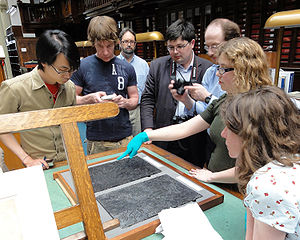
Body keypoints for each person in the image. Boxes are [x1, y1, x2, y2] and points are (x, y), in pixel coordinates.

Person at [119, 37, 272, 184]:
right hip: (217, 181)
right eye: (218, 67)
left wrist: (213, 177)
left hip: (242, 188)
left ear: (243, 70)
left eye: (224, 69)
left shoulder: (262, 107)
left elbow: (256, 167)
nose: (218, 73)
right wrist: (146, 135)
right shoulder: (225, 100)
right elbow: (186, 128)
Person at [220, 86, 300, 239]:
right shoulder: (287, 160)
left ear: (250, 137)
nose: (223, 134)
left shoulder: (267, 186)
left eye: (229, 128)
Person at [0, 29, 80, 169]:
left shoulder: (70, 87)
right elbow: (2, 127)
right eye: (62, 70)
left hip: (69, 162)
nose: (67, 75)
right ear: (44, 61)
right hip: (39, 166)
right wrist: (26, 159)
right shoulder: (14, 89)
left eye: (72, 69)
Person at [141, 19, 212, 166]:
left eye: (180, 46)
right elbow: (147, 99)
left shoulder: (208, 69)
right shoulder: (157, 66)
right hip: (165, 132)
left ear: (192, 43)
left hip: (195, 135)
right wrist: (148, 129)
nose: (175, 52)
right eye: (170, 47)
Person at [71, 16, 138, 155]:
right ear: (93, 43)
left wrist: (124, 102)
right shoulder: (83, 67)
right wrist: (89, 99)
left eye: (109, 46)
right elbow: (71, 99)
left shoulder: (127, 67)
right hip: (96, 140)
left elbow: (134, 99)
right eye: (100, 46)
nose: (106, 52)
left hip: (124, 137)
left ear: (116, 42)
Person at [183, 18, 240, 114]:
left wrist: (207, 98)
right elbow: (206, 114)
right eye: (207, 47)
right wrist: (186, 100)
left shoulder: (245, 73)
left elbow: (235, 115)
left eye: (215, 46)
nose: (209, 53)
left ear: (232, 42)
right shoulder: (211, 72)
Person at [117, 28, 149, 136]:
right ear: (120, 43)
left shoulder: (143, 64)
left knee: (137, 142)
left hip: (137, 110)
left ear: (135, 44)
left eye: (132, 42)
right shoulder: (113, 63)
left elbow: (148, 89)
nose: (129, 44)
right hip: (119, 109)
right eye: (125, 41)